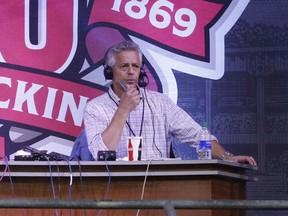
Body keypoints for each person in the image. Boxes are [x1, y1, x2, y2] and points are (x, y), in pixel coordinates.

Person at [83, 40, 257, 166]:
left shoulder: (160, 103)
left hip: (161, 185)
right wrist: (123, 110)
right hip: (117, 188)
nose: (131, 72)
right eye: (124, 67)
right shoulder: (96, 108)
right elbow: (100, 152)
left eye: (135, 66)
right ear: (109, 71)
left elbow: (199, 137)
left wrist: (226, 156)